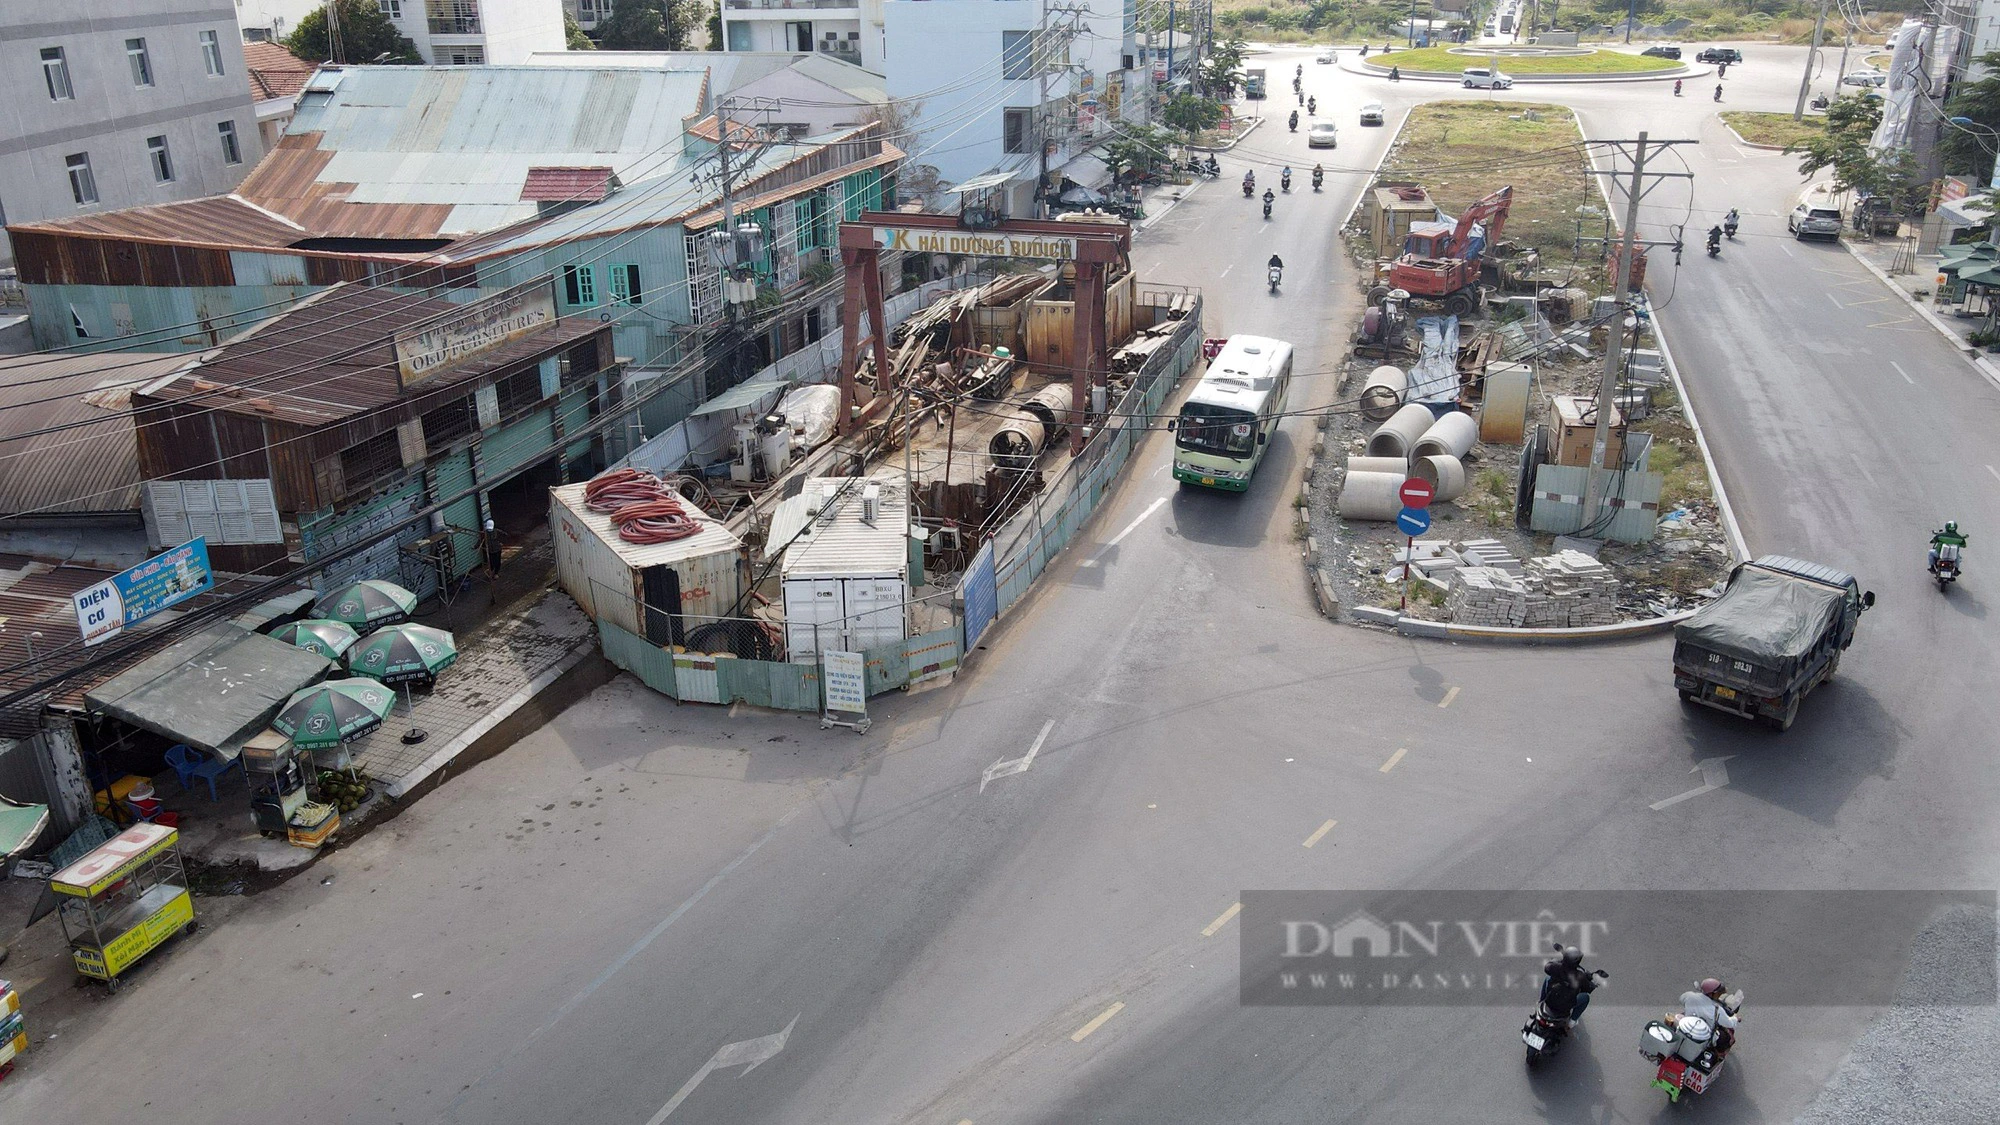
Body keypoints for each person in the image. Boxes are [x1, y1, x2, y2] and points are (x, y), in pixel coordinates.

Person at [1677, 978, 1741, 1056]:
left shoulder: (1689, 996)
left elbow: (1681, 998)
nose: (1719, 995)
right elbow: (1729, 1023)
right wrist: (1736, 1019)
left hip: (1685, 1027)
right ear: (1711, 994)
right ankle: (1719, 1055)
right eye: (1718, 993)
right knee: (1726, 1038)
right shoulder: (1717, 1009)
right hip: (1703, 1036)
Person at [1540, 946, 1599, 1024]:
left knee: (1548, 978)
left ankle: (1541, 1001)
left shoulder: (1555, 967)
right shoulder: (1580, 976)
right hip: (1565, 1008)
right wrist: (1593, 984)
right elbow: (1587, 989)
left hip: (1550, 1001)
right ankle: (1572, 1022)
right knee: (1585, 997)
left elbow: (1547, 967)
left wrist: (1558, 961)